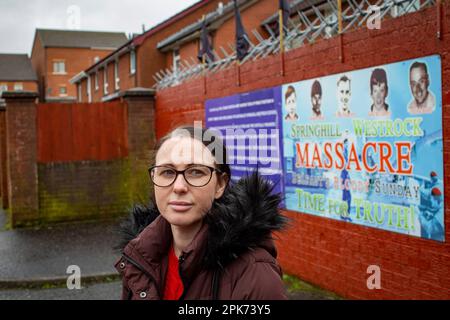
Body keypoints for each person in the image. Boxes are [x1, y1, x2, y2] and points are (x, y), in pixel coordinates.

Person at [114, 126, 288, 300]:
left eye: (196, 172)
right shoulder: (140, 257)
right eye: (167, 172)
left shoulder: (254, 274)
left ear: (220, 185)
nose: (179, 187)